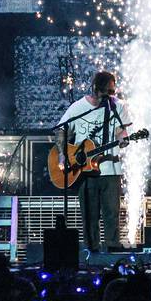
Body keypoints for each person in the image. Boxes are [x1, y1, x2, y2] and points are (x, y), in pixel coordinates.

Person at [55, 72, 132, 254]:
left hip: (111, 169)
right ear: (95, 89)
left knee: (112, 213)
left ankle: (112, 249)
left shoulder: (117, 107)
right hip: (85, 172)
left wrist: (124, 138)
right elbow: (61, 131)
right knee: (89, 215)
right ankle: (92, 251)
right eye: (107, 91)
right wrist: (62, 154)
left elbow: (122, 131)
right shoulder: (78, 107)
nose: (111, 95)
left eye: (113, 91)